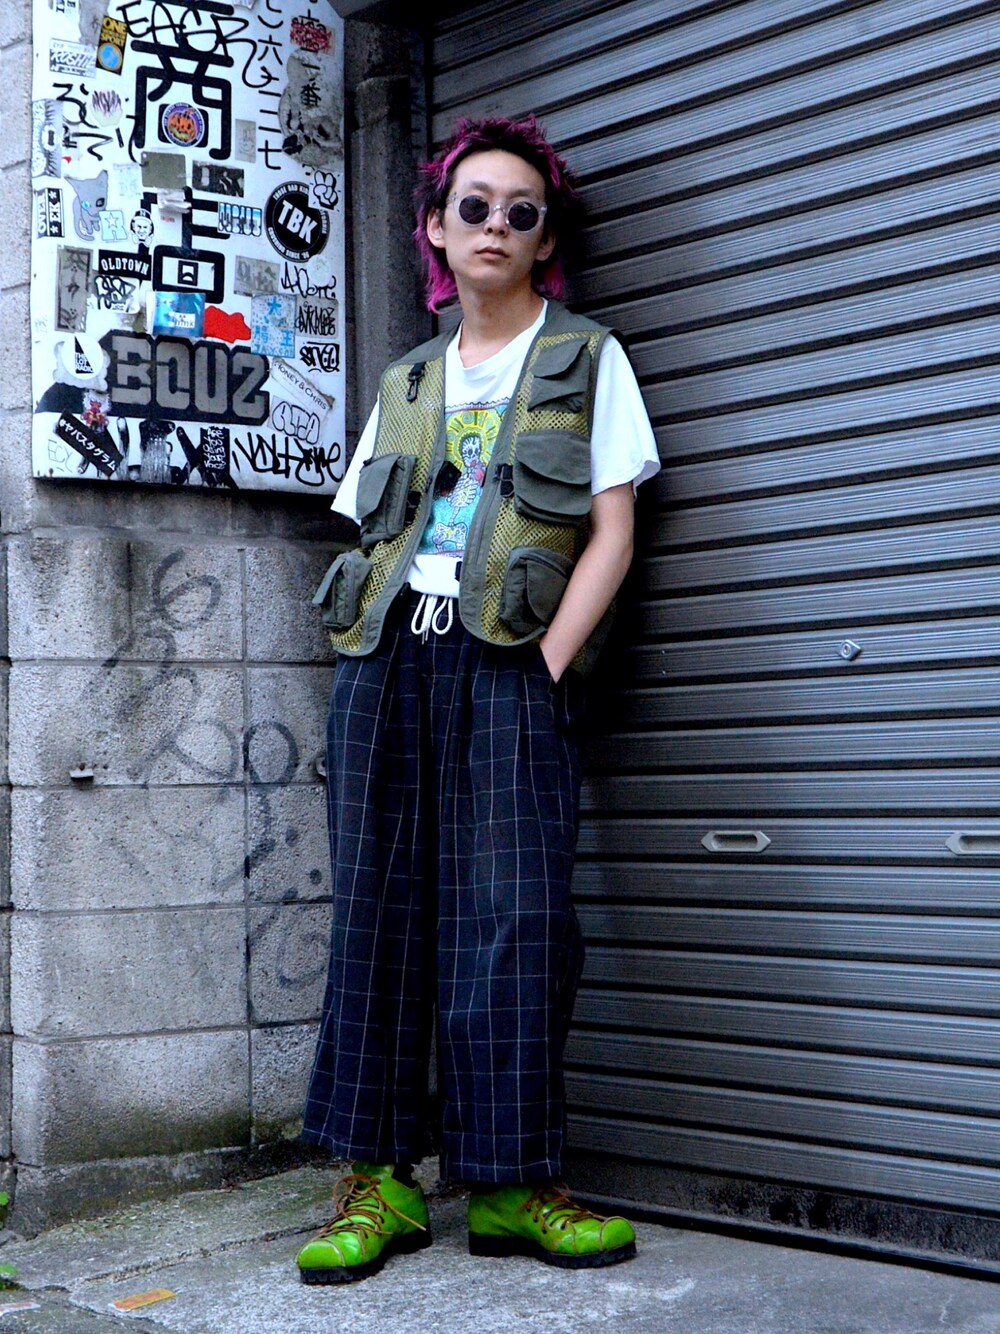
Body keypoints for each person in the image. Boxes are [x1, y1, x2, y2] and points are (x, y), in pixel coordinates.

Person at [297, 114, 660, 1285]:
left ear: (544, 238)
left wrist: (546, 662)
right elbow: (371, 529)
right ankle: (379, 1180)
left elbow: (613, 531)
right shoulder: (408, 376)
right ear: (436, 230)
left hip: (510, 656)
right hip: (387, 660)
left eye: (520, 211)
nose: (494, 224)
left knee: (516, 918)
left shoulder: (586, 358)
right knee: (377, 916)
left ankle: (510, 1184)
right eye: (473, 206)